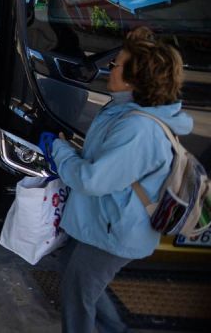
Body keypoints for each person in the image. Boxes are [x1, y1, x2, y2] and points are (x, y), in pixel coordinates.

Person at [43, 27, 191, 333]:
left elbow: (92, 180)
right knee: (79, 281)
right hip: (103, 220)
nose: (109, 69)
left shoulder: (138, 129)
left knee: (78, 295)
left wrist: (58, 150)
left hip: (115, 230)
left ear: (135, 78)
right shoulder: (123, 109)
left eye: (116, 65)